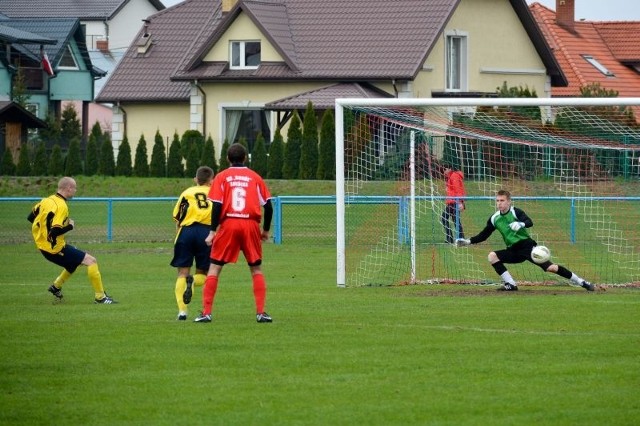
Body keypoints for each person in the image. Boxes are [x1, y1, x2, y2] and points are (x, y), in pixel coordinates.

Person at [194, 143, 274, 323]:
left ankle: (206, 313)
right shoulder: (255, 177)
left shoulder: (222, 177)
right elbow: (268, 206)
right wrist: (266, 230)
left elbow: (217, 205)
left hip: (229, 223)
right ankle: (261, 313)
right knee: (256, 269)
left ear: (228, 159)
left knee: (214, 267)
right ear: (245, 158)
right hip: (250, 224)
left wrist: (213, 231)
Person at [455, 189, 594, 292]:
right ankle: (511, 284)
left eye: (502, 200)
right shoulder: (494, 218)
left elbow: (529, 222)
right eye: (497, 201)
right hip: (513, 250)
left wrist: (521, 224)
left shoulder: (516, 212)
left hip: (527, 247)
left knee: (550, 268)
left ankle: (582, 282)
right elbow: (483, 235)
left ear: (509, 201)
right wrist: (468, 241)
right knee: (492, 256)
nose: (499, 203)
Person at [27, 176, 116, 304]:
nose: (75, 191)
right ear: (68, 188)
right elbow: (54, 232)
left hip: (44, 246)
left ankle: (56, 286)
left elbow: (31, 218)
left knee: (72, 263)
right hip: (54, 249)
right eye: (74, 188)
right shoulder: (61, 206)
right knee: (91, 261)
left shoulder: (46, 200)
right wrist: (70, 226)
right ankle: (100, 297)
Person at [170, 166, 215, 320]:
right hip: (206, 233)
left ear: (195, 179)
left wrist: (179, 236)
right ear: (211, 180)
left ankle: (182, 312)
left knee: (182, 273)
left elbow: (177, 217)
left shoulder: (187, 193)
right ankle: (193, 280)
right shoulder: (215, 194)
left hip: (186, 232)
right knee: (204, 274)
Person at [441, 167, 466, 244]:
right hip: (451, 202)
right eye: (443, 170)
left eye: (445, 169)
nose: (444, 172)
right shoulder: (450, 177)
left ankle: (458, 239)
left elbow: (458, 189)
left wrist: (460, 202)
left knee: (447, 218)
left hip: (455, 202)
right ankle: (454, 238)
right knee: (450, 219)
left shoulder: (454, 176)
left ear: (450, 168)